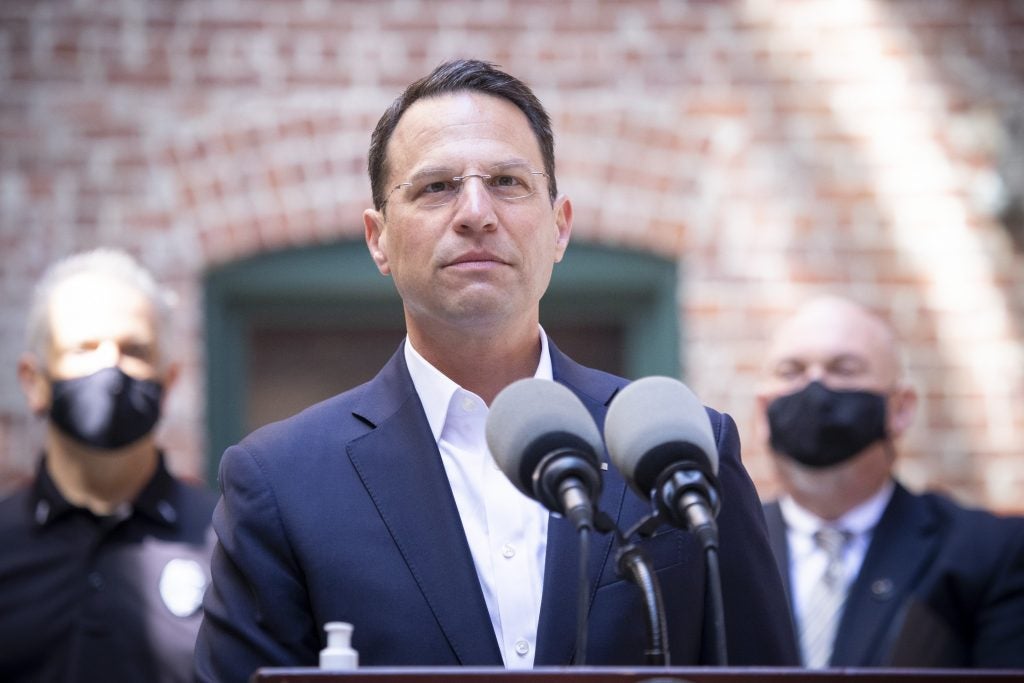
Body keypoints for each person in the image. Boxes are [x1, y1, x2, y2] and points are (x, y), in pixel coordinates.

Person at [195, 59, 798, 680]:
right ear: (378, 239)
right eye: (436, 187)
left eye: (508, 182)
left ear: (559, 228)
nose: (476, 212)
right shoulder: (281, 481)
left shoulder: (683, 450)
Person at [757, 295, 1024, 668]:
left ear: (900, 408)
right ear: (763, 410)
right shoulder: (715, 554)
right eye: (792, 372)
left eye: (844, 369)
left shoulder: (989, 553)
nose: (815, 388)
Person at [0, 249, 218, 683]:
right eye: (83, 348)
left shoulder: (227, 541)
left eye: (134, 350)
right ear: (34, 381)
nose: (110, 367)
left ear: (168, 382)